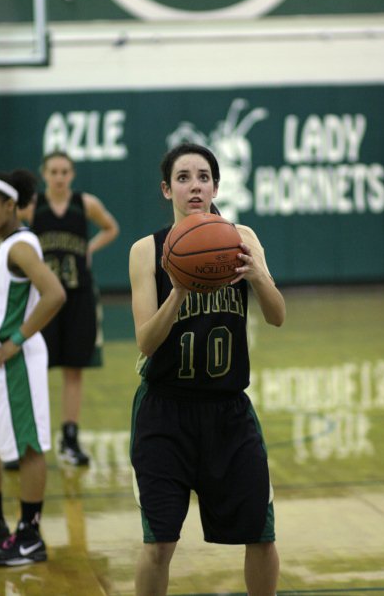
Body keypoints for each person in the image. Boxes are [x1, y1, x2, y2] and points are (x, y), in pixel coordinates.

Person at [129, 143, 286, 596]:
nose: (194, 186)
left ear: (215, 185)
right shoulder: (146, 251)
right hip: (165, 412)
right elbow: (145, 341)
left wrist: (257, 275)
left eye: (203, 177)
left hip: (228, 412)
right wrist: (178, 290)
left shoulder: (243, 238)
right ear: (167, 189)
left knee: (260, 535)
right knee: (159, 543)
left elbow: (276, 315)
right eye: (183, 177)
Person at [0, 170, 66, 566]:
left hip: (13, 360)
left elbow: (54, 294)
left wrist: (18, 340)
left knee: (26, 446)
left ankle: (30, 534)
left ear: (11, 205)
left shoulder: (20, 246)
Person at [22, 151, 119, 466]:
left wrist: (90, 247)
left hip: (78, 297)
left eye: (65, 171)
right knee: (34, 367)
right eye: (54, 171)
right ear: (44, 173)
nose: (60, 177)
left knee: (74, 370)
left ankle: (70, 438)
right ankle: (28, 438)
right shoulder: (32, 206)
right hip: (43, 300)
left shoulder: (84, 203)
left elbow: (111, 228)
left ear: (72, 174)